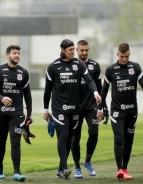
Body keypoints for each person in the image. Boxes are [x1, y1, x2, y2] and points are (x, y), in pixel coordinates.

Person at [43, 39, 102, 180]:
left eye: (73, 49)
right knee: (63, 136)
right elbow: (47, 90)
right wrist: (46, 109)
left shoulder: (79, 65)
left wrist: (95, 92)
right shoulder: (53, 66)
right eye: (70, 50)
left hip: (75, 109)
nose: (73, 52)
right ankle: (64, 168)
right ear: (63, 50)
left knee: (69, 139)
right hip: (59, 109)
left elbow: (89, 80)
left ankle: (60, 169)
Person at [97, 43, 143, 180]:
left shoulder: (135, 67)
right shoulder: (110, 70)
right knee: (119, 139)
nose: (124, 59)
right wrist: (100, 108)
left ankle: (125, 169)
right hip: (117, 111)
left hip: (132, 110)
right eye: (122, 57)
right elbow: (103, 91)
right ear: (117, 55)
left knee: (129, 141)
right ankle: (119, 169)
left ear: (129, 54)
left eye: (126, 56)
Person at [0, 45, 33, 182]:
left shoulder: (23, 73)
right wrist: (1, 98)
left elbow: (27, 94)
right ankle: (0, 167)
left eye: (18, 53)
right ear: (8, 55)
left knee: (15, 141)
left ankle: (17, 172)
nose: (17, 55)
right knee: (1, 142)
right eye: (14, 53)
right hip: (1, 113)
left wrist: (29, 113)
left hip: (17, 113)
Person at [71, 40, 109, 179]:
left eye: (87, 50)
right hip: (75, 108)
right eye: (82, 50)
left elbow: (100, 89)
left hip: (91, 106)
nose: (85, 52)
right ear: (77, 50)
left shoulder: (94, 66)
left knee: (94, 133)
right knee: (75, 138)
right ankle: (76, 167)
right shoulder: (72, 65)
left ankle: (87, 161)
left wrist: (103, 108)